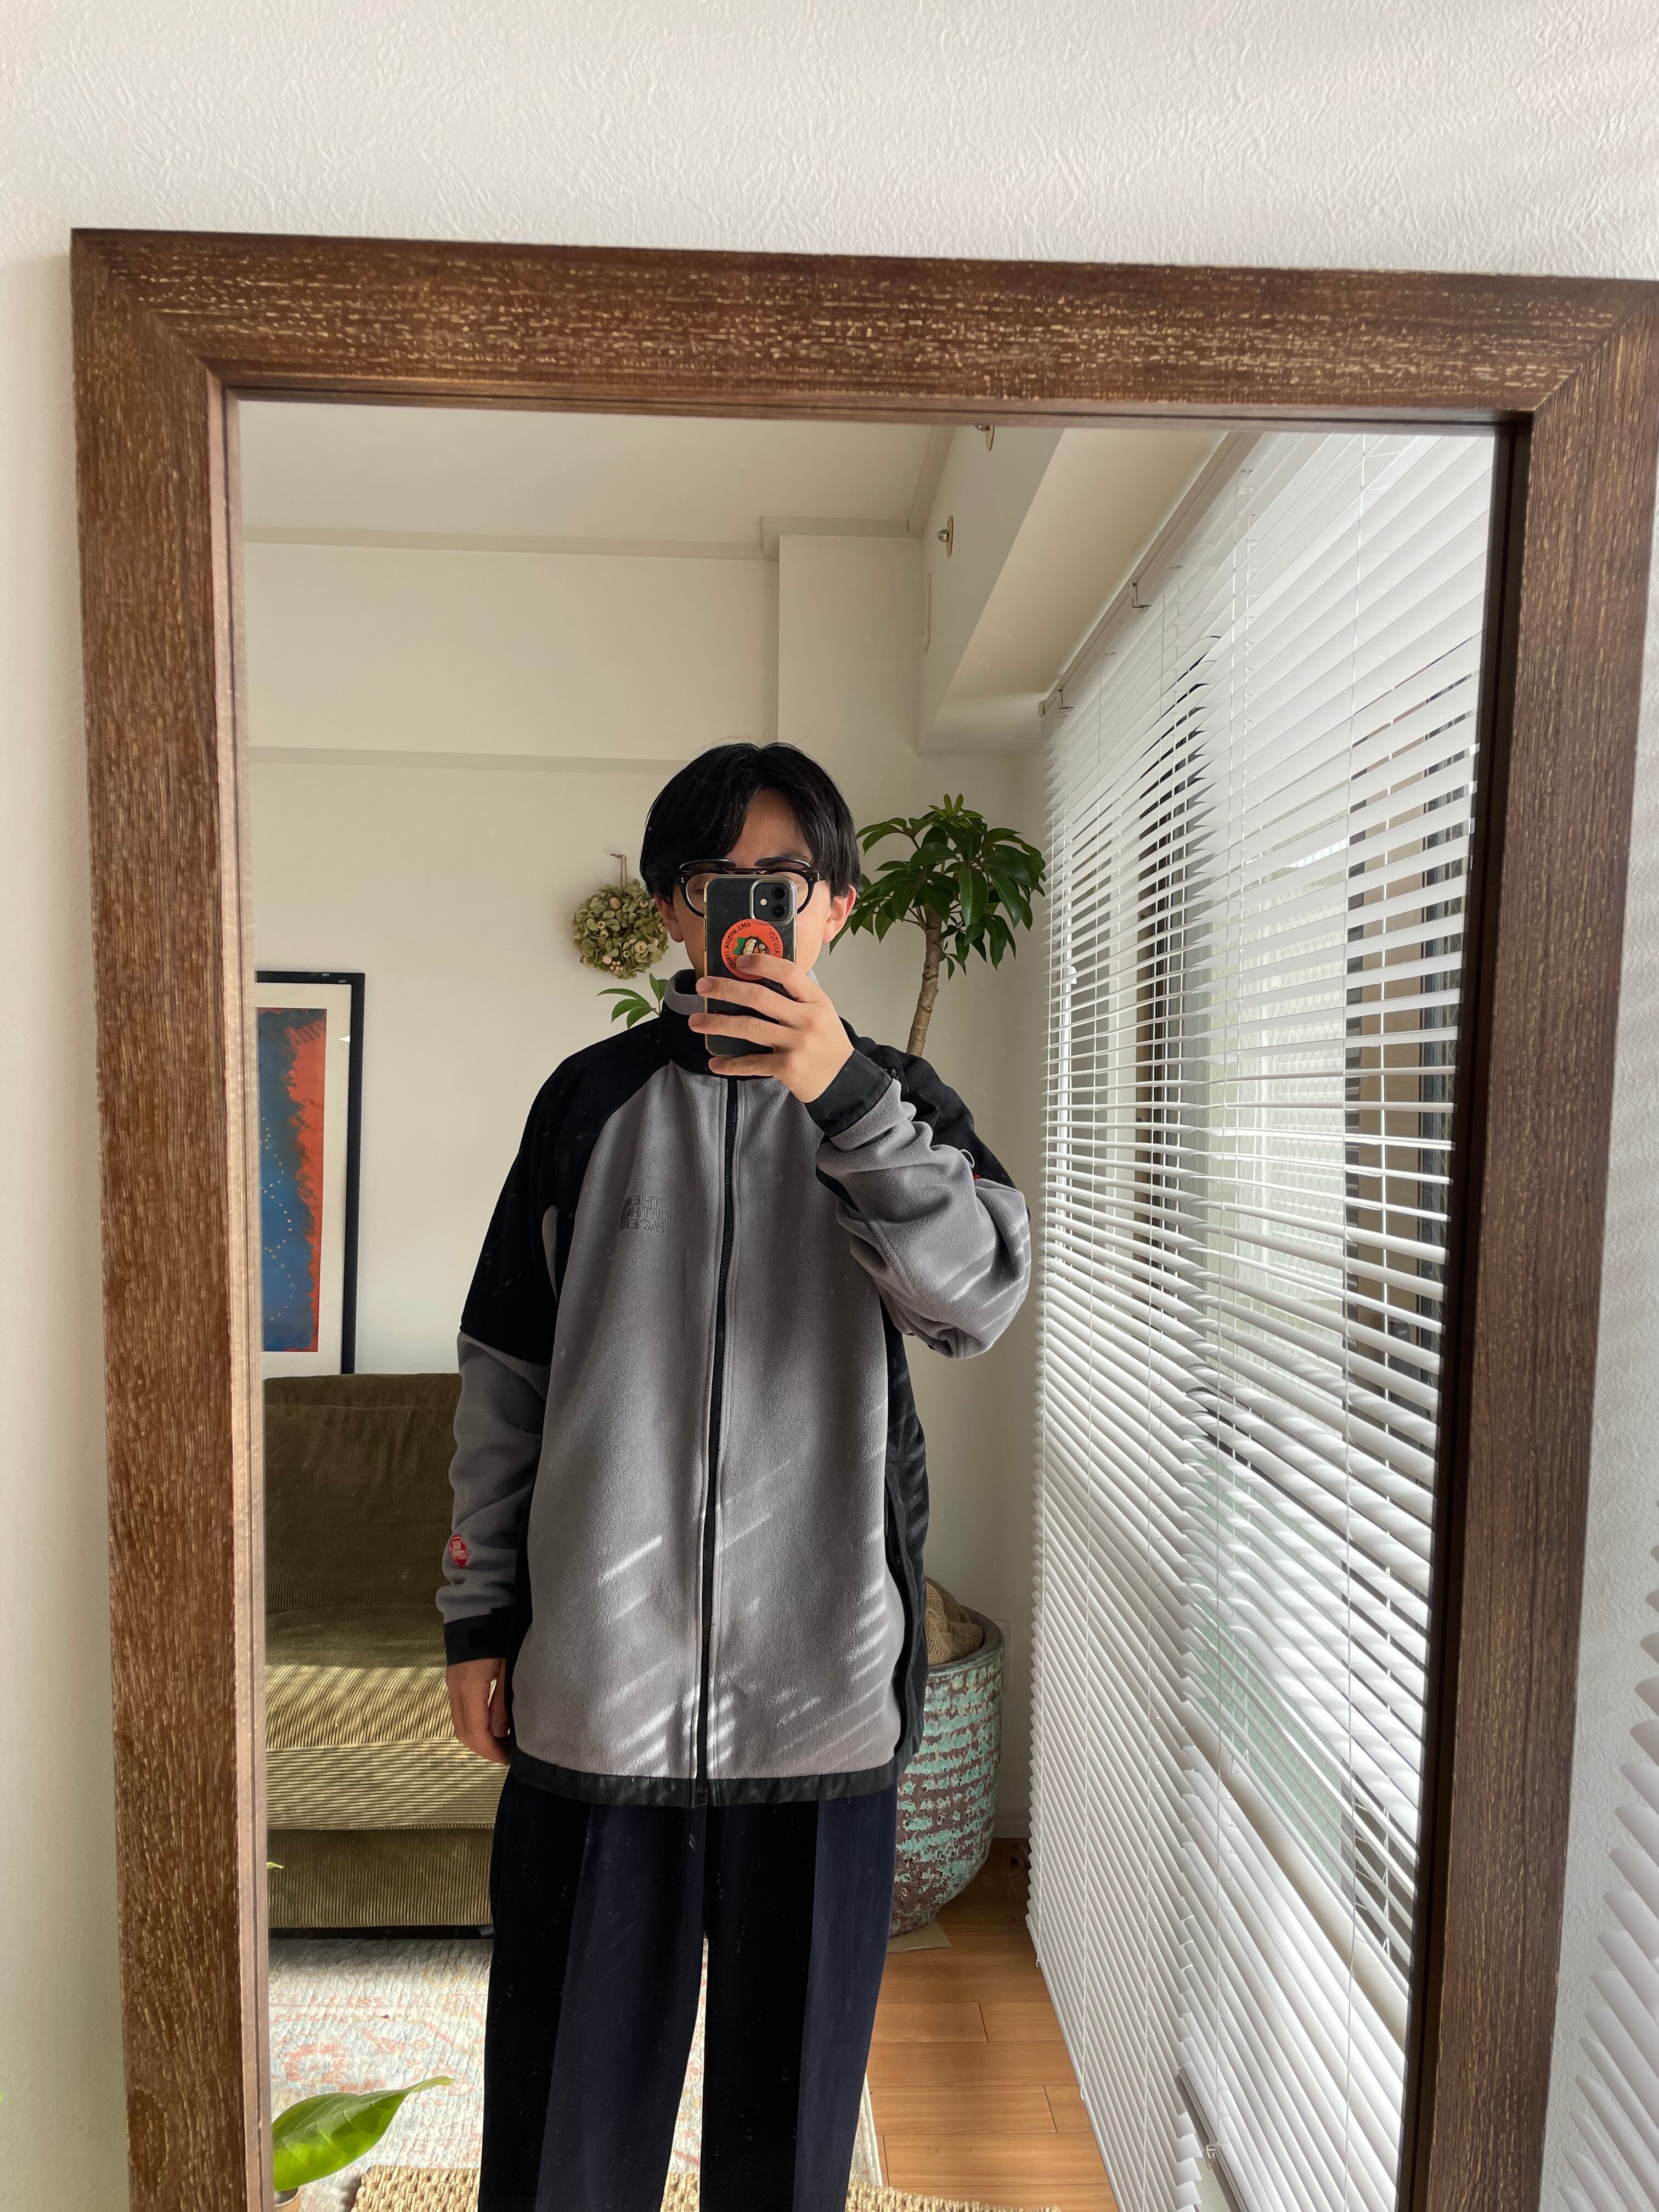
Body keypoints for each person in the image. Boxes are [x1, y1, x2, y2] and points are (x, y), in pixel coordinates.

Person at [438, 741, 1031, 2212]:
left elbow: (975, 1300)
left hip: (820, 1704)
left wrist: (844, 1101)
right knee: (563, 2149)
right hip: (599, 1696)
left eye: (788, 878)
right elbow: (505, 1378)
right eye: (717, 880)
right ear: (672, 910)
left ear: (835, 909)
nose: (753, 907)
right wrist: (479, 1616)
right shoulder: (588, 1102)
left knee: (786, 2153)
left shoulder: (902, 1105)